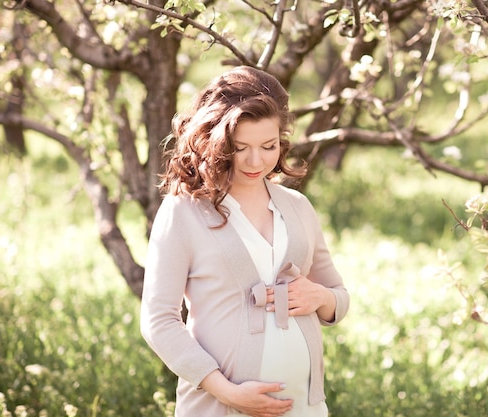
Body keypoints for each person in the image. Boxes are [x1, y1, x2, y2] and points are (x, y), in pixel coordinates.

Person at [140, 65, 350, 417]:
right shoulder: (184, 212)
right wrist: (228, 392)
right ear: (215, 143)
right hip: (219, 408)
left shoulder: (297, 207)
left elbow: (337, 297)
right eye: (240, 148)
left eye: (268, 146)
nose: (257, 161)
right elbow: (159, 320)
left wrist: (322, 297)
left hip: (305, 407)